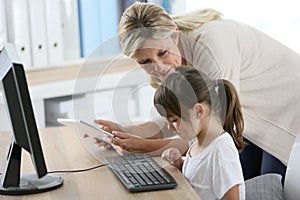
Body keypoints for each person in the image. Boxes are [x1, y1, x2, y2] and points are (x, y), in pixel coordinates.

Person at [94, 2, 300, 180]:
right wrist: (123, 132)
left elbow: (211, 134)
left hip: (289, 113)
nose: (158, 67)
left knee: (272, 189)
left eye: (163, 53)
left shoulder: (211, 49)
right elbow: (179, 120)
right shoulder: (174, 64)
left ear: (174, 35)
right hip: (252, 124)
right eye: (145, 61)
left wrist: (143, 147)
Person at [154, 66, 245, 199]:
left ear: (198, 111)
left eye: (173, 120)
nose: (170, 128)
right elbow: (201, 178)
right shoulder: (198, 142)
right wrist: (180, 164)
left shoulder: (221, 150)